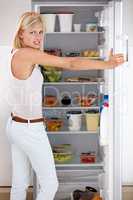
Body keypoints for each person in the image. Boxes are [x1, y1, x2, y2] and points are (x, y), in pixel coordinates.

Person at [6, 11, 124, 200]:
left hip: (15, 125)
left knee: (20, 184)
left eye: (40, 32)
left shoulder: (16, 53)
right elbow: (70, 63)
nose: (38, 37)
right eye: (32, 32)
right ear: (21, 33)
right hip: (29, 129)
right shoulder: (27, 54)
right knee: (51, 184)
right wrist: (107, 64)